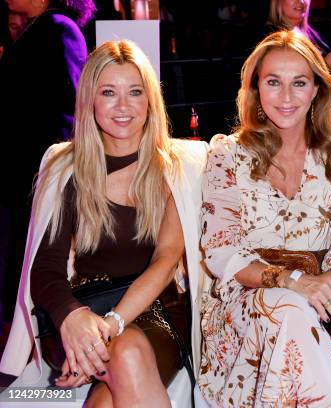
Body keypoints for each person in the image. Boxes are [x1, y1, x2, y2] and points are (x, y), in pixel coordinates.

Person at [0, 40, 208, 406]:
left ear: (150, 101)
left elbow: (165, 262)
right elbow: (45, 268)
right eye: (109, 92)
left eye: (135, 92)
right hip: (84, 310)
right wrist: (73, 318)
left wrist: (109, 328)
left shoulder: (178, 167)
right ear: (90, 100)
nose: (123, 106)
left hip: (156, 311)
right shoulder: (65, 167)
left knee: (117, 369)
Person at [199, 30, 331, 406]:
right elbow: (221, 252)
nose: (287, 96)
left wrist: (329, 286)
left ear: (316, 91)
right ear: (256, 89)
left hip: (322, 297)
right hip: (246, 304)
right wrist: (294, 282)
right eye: (273, 82)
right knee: (291, 308)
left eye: (299, 83)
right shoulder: (227, 155)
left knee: (302, 310)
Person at [0, 0, 94, 324]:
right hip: (25, 175)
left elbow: (73, 109)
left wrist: (54, 173)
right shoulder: (39, 29)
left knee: (34, 265)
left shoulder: (59, 29)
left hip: (40, 175)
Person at [264, 0, 331, 121]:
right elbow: (291, 84)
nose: (301, 1)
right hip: (301, 121)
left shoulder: (312, 34)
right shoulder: (271, 38)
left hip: (327, 115)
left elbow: (325, 90)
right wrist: (325, 67)